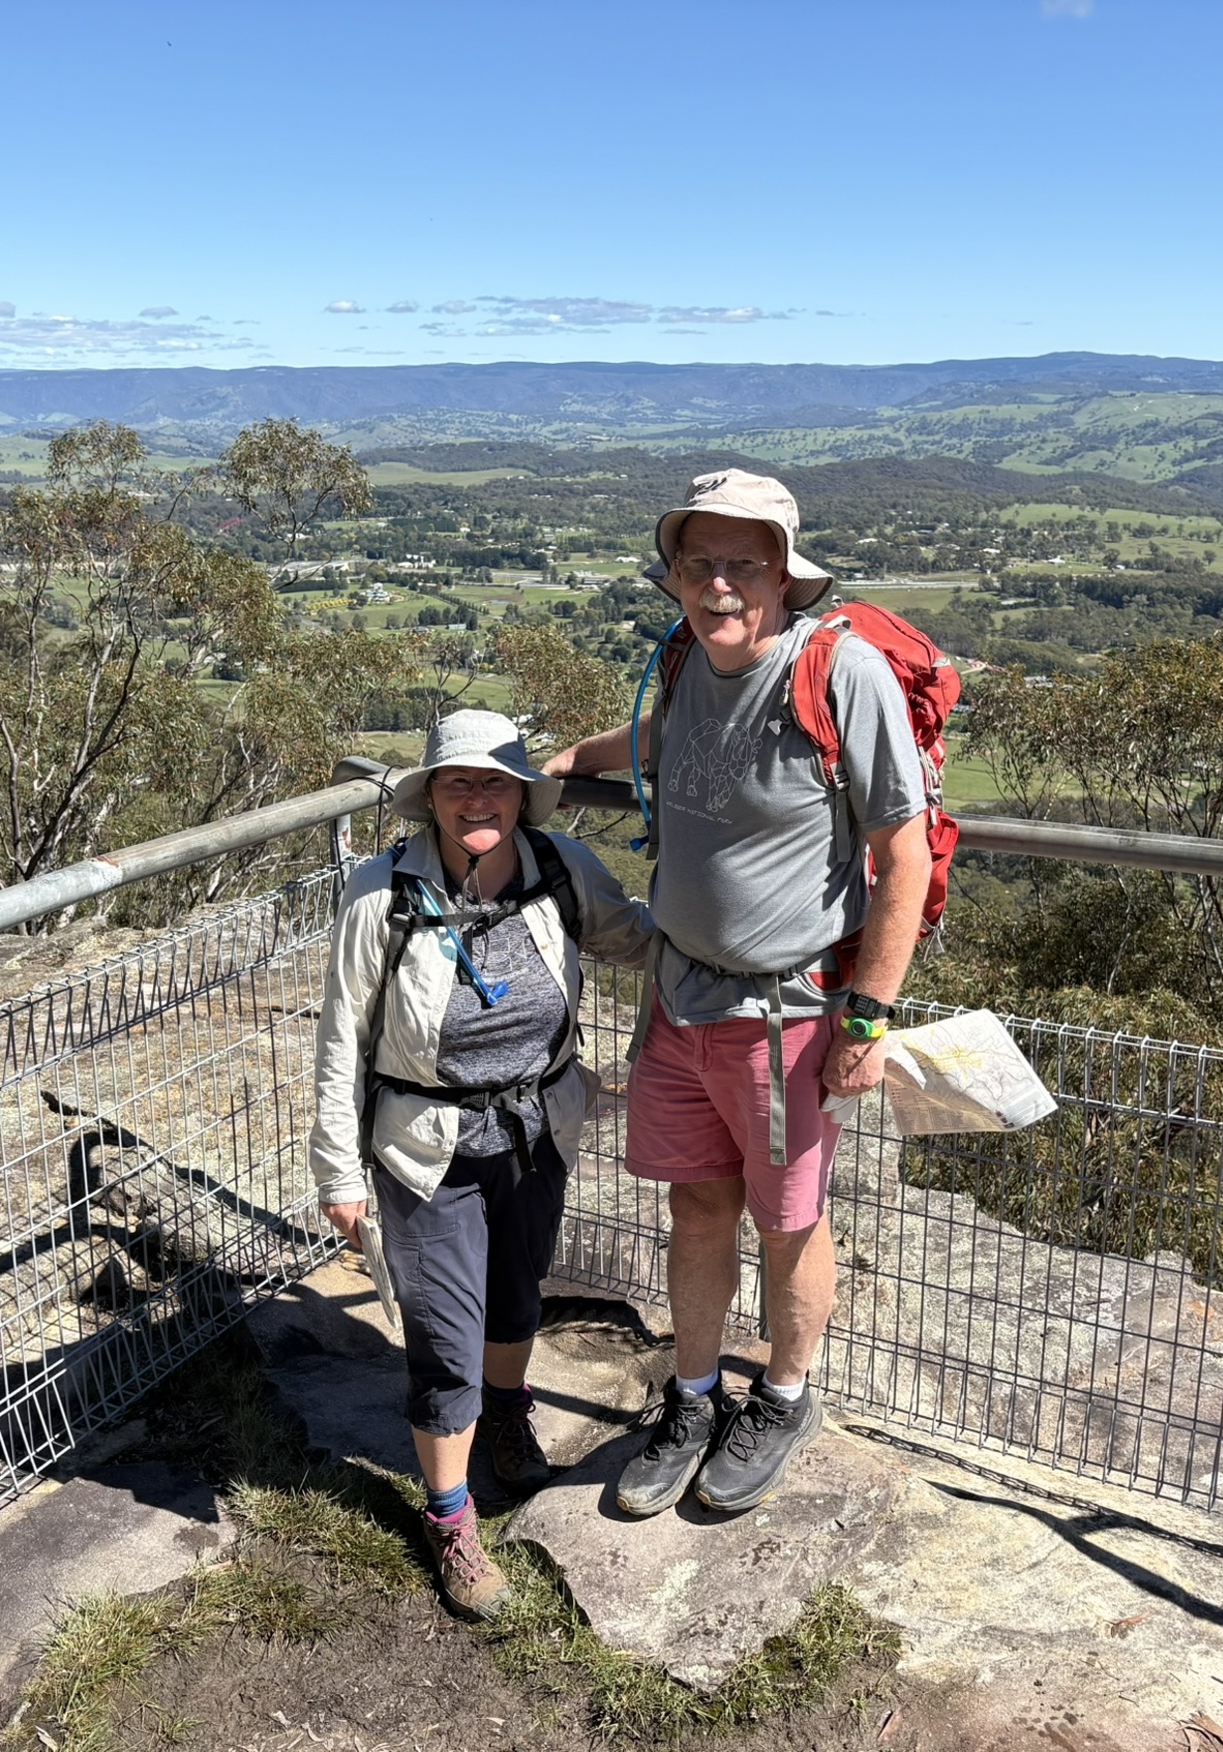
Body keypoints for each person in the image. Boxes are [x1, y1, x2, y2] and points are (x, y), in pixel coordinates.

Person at [544, 470, 930, 1518]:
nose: (719, 584)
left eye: (743, 565)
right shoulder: (684, 662)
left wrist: (870, 1013)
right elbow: (660, 746)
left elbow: (904, 852)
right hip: (679, 998)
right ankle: (693, 1397)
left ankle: (786, 1398)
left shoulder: (838, 674)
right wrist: (559, 768)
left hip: (786, 1013)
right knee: (698, 1205)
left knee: (789, 1222)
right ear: (674, 575)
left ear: (784, 575)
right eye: (699, 563)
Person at [311, 709, 651, 1619]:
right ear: (430, 796)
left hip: (536, 1130)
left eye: (494, 781)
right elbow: (343, 1036)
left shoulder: (557, 869)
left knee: (516, 1296)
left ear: (520, 795)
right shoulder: (381, 893)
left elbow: (635, 937)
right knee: (444, 1335)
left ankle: (505, 1412)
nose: (476, 798)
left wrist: (738, 933)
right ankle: (450, 1518)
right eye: (457, 781)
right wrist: (338, 1172)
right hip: (427, 1147)